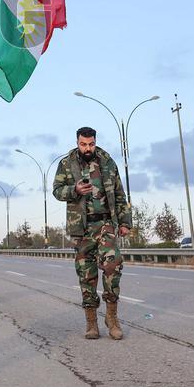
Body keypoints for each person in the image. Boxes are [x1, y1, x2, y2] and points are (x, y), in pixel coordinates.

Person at [52, 127, 131, 340]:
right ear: (78, 142)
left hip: (105, 223)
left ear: (95, 142)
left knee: (113, 265)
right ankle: (91, 323)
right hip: (81, 229)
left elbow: (120, 193)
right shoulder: (66, 164)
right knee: (86, 275)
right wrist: (74, 190)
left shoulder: (107, 162)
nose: (88, 148)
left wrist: (125, 222)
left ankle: (112, 318)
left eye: (91, 144)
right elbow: (57, 190)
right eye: (83, 144)